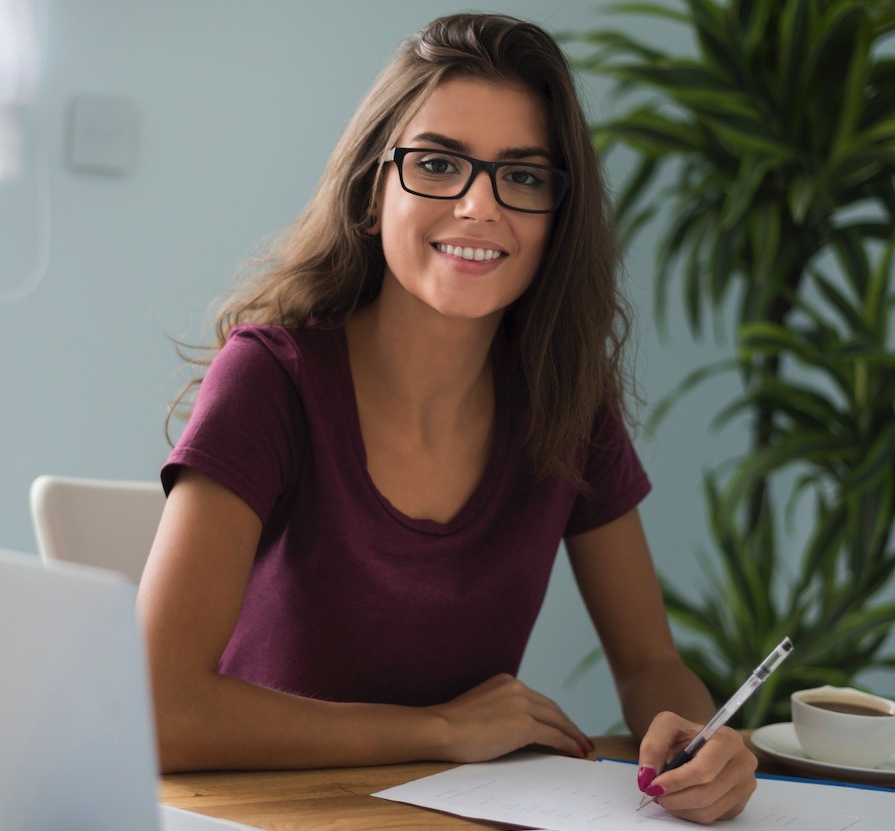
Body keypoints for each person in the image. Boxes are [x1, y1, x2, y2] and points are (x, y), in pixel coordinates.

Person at [139, 12, 757, 824]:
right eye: (437, 164)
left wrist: (700, 738)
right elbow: (156, 707)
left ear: (555, 221)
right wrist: (436, 729)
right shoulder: (271, 379)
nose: (477, 206)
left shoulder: (566, 400)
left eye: (524, 177)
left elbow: (648, 663)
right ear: (371, 192)